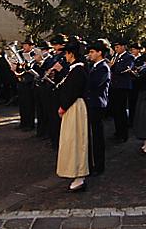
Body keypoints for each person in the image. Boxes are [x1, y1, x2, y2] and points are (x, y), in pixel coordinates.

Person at [55, 40, 90, 192]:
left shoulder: (78, 70)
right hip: (72, 107)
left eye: (66, 53)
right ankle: (74, 172)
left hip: (75, 106)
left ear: (71, 54)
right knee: (71, 140)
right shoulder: (73, 69)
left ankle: (79, 175)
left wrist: (63, 106)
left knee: (76, 140)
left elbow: (72, 91)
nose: (65, 56)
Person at [85, 39, 111, 175]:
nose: (90, 54)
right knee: (92, 135)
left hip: (97, 105)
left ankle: (99, 165)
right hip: (91, 104)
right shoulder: (94, 66)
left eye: (92, 52)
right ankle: (92, 162)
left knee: (97, 136)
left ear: (100, 53)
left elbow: (93, 84)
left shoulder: (103, 68)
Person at [108, 39, 134, 143]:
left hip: (122, 86)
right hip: (114, 86)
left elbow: (123, 69)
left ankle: (123, 134)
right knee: (115, 110)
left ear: (123, 47)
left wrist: (112, 66)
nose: (116, 49)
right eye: (115, 47)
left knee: (121, 110)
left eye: (118, 46)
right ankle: (117, 131)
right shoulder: (115, 56)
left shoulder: (129, 57)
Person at [127, 42, 143, 127]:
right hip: (130, 82)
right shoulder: (130, 58)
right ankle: (131, 120)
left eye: (134, 49)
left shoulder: (141, 59)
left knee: (137, 102)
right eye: (131, 49)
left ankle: (137, 120)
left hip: (138, 82)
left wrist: (134, 70)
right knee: (131, 102)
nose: (132, 51)